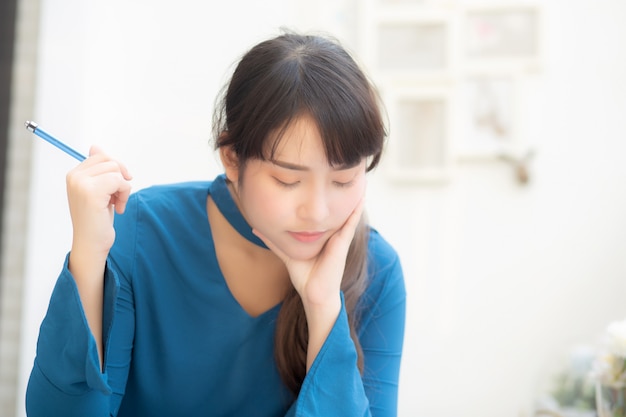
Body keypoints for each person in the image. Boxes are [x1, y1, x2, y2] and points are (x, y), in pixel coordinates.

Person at [25, 32, 406, 417]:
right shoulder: (140, 232)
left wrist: (324, 307)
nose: (319, 212)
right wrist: (89, 256)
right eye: (288, 180)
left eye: (343, 180)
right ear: (232, 159)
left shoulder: (377, 268)